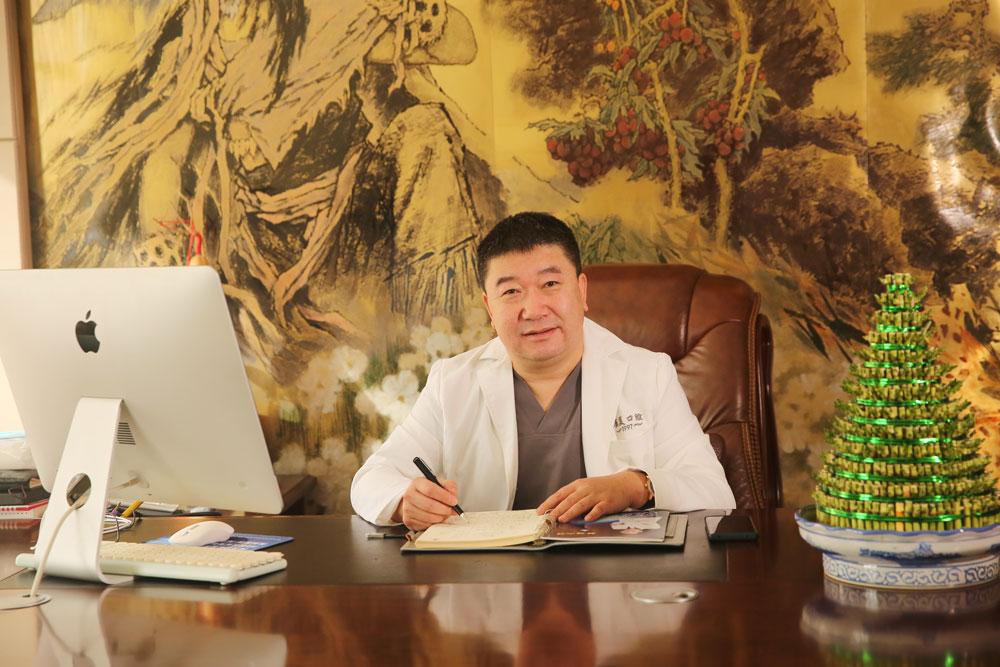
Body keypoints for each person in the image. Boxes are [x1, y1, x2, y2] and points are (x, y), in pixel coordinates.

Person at [351, 212, 736, 529]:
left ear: (582, 291)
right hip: (492, 582)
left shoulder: (648, 373)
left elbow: (714, 490)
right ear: (489, 308)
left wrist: (636, 486)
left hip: (613, 580)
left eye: (550, 283)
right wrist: (403, 502)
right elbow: (371, 479)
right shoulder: (451, 381)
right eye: (511, 291)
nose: (533, 310)